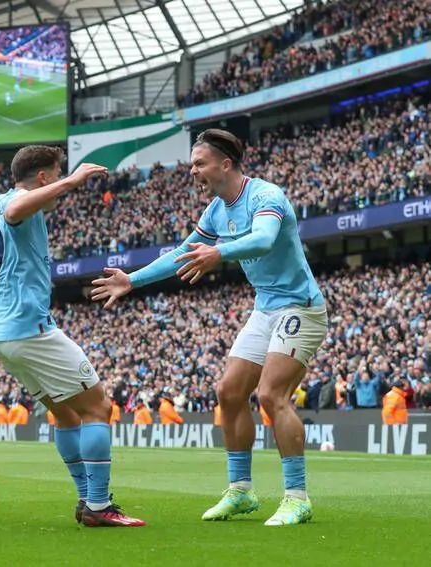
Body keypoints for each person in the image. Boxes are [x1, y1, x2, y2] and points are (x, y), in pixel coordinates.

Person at [92, 129, 328, 526]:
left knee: (271, 395)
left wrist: (219, 252)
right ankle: (240, 491)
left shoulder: (266, 196)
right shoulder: (216, 211)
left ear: (226, 164)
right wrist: (132, 280)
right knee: (229, 392)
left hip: (300, 308)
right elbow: (183, 253)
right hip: (266, 306)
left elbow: (264, 239)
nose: (193, 172)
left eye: (199, 164)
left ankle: (297, 498)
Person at [0, 145, 143, 528]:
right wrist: (73, 180)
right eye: (58, 171)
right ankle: (99, 505)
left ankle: (87, 499)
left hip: (1, 336)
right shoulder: (16, 203)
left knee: (66, 414)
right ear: (45, 177)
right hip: (30, 328)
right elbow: (17, 211)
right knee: (98, 407)